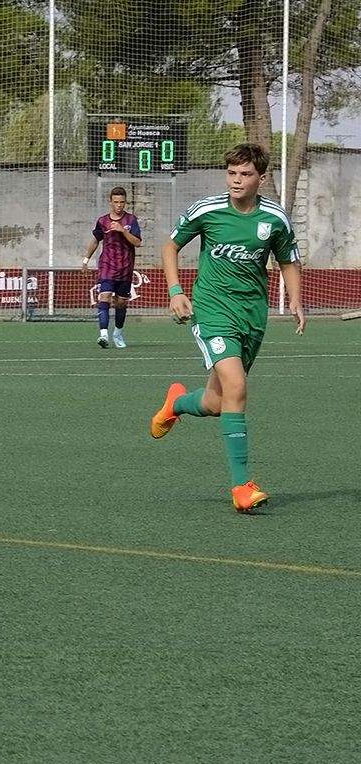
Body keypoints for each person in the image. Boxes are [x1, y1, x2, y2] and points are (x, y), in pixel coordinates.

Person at [149, 142, 305, 513]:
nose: (237, 180)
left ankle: (176, 404)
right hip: (212, 310)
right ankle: (241, 487)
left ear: (261, 178)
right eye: (232, 173)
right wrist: (175, 291)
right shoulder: (207, 210)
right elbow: (170, 247)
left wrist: (296, 299)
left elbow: (288, 260)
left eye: (245, 174)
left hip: (252, 315)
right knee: (237, 385)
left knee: (218, 402)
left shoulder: (275, 219)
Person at [81, 185, 142, 348]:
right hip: (107, 266)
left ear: (125, 202)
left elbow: (137, 242)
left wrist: (123, 231)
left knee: (121, 303)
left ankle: (118, 332)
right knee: (104, 297)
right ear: (110, 202)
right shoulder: (103, 221)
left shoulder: (131, 220)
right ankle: (103, 335)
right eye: (116, 202)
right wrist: (86, 259)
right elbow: (95, 240)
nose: (119, 205)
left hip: (125, 268)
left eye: (122, 202)